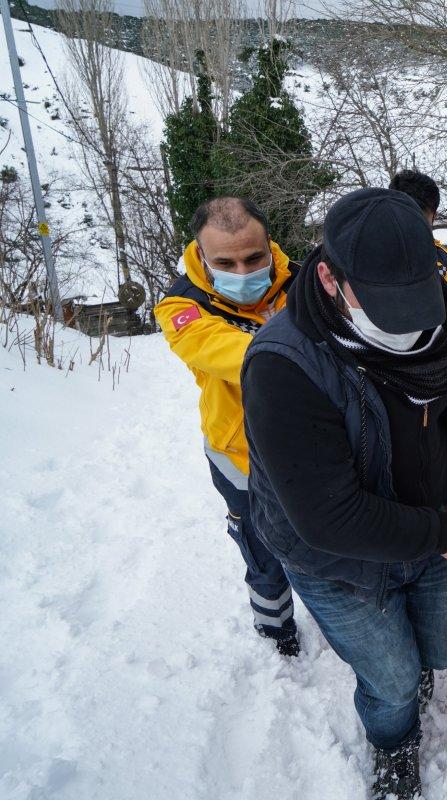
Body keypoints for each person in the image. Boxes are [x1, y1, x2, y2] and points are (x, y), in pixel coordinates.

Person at [241, 188, 447, 800]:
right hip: (337, 560)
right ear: (328, 277)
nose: (408, 325)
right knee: (394, 680)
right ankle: (393, 745)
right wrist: (446, 534)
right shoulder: (282, 366)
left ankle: (408, 677)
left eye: (415, 304)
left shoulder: (440, 311)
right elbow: (329, 518)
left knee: (444, 650)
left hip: (425, 523)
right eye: (384, 306)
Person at [152, 196, 299, 656]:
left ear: (269, 244)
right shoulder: (181, 307)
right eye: (225, 261)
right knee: (261, 546)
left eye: (253, 257)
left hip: (310, 445)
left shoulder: (304, 281)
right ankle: (276, 626)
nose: (241, 271)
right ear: (200, 254)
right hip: (240, 455)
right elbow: (233, 355)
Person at [389, 169, 447, 301]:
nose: (411, 225)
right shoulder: (370, 249)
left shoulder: (442, 259)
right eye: (404, 215)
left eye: (419, 217)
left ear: (434, 216)